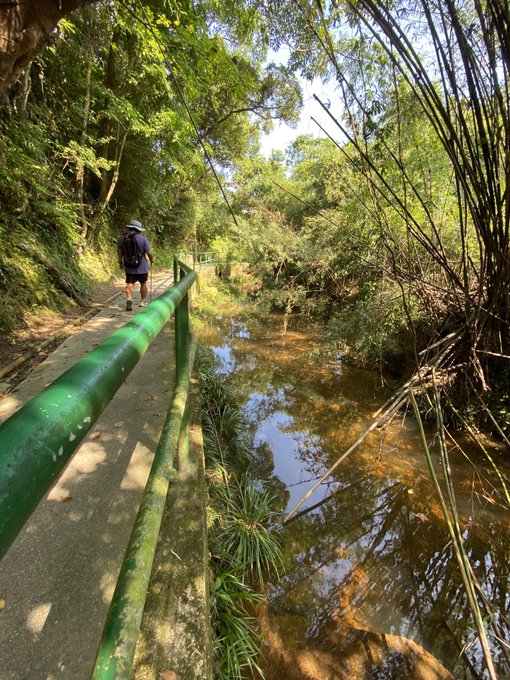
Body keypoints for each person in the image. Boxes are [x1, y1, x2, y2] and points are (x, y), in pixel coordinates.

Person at [117, 219, 154, 311]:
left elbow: (119, 251)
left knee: (130, 283)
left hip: (129, 266)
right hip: (142, 267)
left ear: (129, 227)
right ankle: (142, 301)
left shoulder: (122, 238)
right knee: (143, 283)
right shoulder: (142, 239)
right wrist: (151, 260)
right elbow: (149, 253)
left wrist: (120, 262)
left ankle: (129, 300)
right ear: (139, 229)